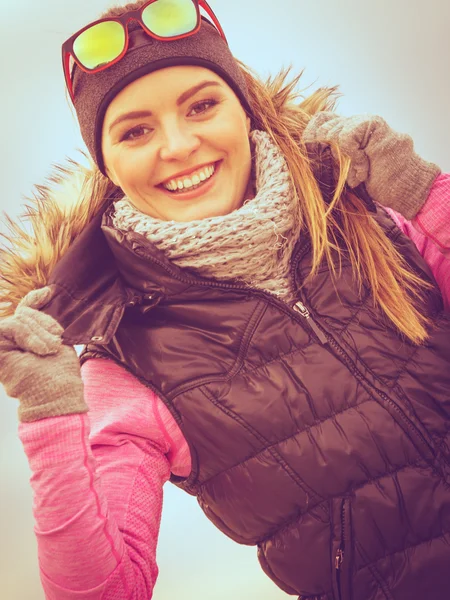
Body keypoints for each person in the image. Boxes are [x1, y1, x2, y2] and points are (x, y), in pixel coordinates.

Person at [0, 1, 449, 598]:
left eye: (202, 105)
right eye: (135, 130)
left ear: (244, 109)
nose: (180, 144)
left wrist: (429, 197)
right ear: (108, 165)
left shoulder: (373, 215)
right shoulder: (125, 365)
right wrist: (52, 413)